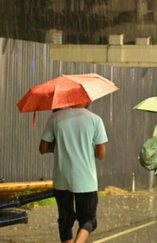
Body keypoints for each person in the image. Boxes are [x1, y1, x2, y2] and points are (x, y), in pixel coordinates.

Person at [39, 103, 108, 243]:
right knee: (89, 220)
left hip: (62, 178)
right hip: (86, 179)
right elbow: (101, 154)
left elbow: (43, 148)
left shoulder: (55, 118)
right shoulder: (95, 119)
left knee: (65, 220)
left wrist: (61, 144)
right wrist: (88, 147)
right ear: (85, 99)